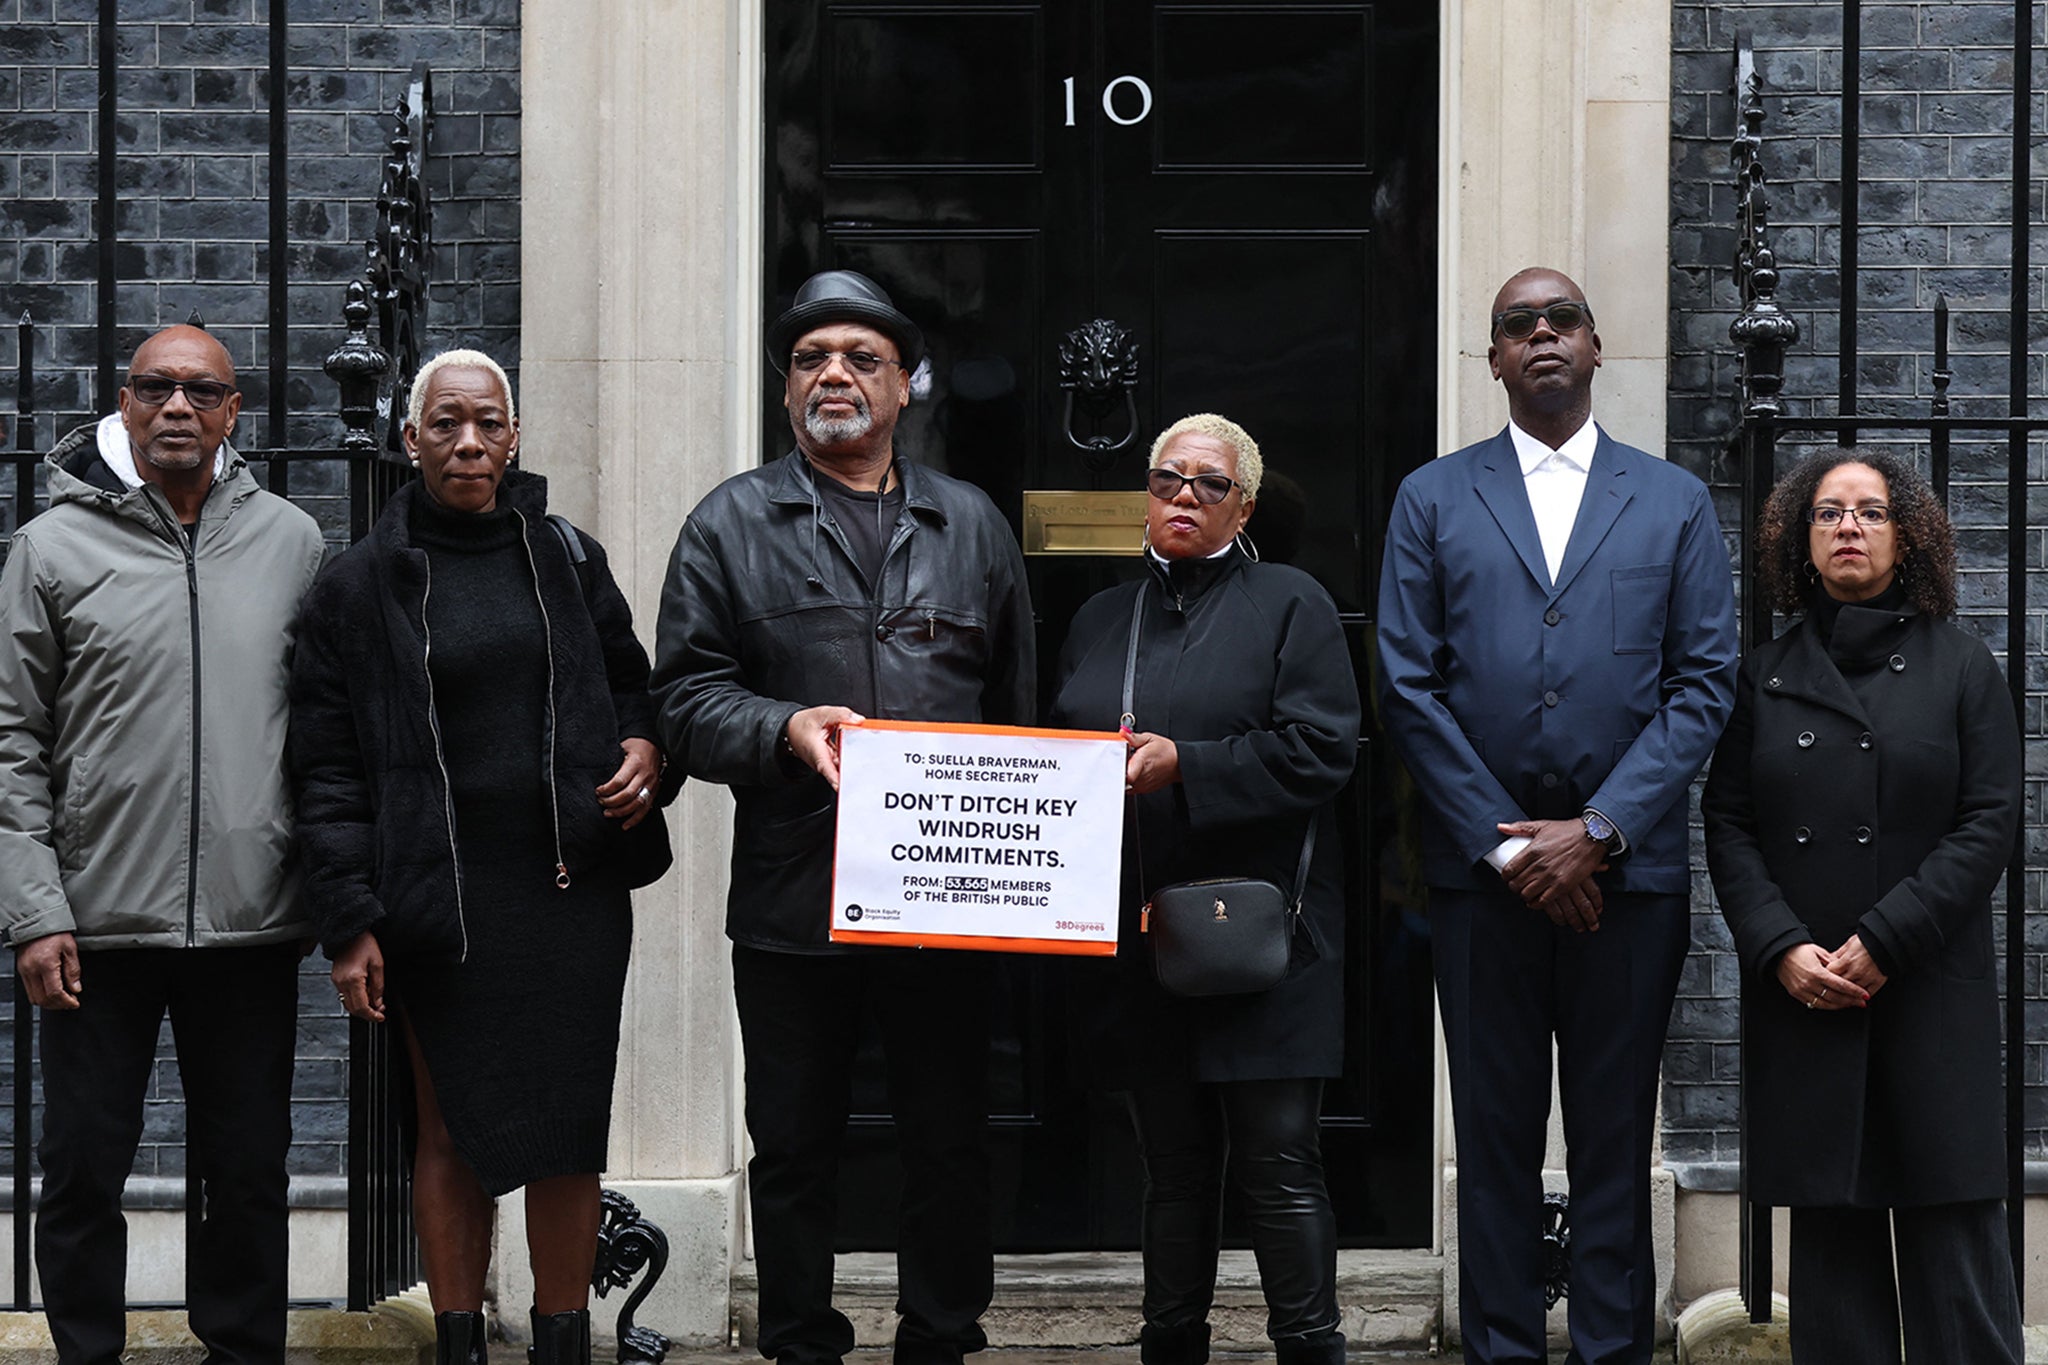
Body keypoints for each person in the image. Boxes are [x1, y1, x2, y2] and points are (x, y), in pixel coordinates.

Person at [650, 269, 1034, 1365]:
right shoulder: (727, 524)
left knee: (949, 1140)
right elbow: (680, 702)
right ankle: (799, 1340)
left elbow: (1014, 712)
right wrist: (780, 729)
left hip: (948, 898)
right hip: (791, 895)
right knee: (793, 1147)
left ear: (905, 385)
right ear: (786, 391)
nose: (834, 374)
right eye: (812, 358)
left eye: (860, 358)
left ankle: (941, 1336)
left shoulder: (970, 526)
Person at [1375, 268, 1738, 1363]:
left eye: (1561, 319)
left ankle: (1612, 1348)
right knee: (1490, 1135)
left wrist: (1597, 831)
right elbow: (1405, 682)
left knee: (1613, 1135)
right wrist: (1507, 844)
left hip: (1625, 882)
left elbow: (1703, 681)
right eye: (1515, 325)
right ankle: (1497, 1347)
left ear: (1593, 347)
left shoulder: (1668, 500)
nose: (1540, 335)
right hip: (1478, 884)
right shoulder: (1432, 497)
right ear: (1490, 359)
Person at [289, 350, 674, 1365]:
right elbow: (326, 768)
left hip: (569, 891)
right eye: (447, 424)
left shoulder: (566, 556)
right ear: (409, 439)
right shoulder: (357, 586)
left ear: (514, 436)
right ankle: (458, 1344)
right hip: (437, 898)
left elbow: (634, 694)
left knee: (565, 1127)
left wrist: (646, 752)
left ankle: (561, 1344)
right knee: (450, 1123)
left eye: (489, 423)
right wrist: (348, 919)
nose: (469, 442)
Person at [0, 325, 324, 1365]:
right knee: (85, 1168)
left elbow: (322, 730)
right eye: (156, 388)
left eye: (202, 391)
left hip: (253, 919)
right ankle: (86, 1353)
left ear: (235, 413)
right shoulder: (50, 548)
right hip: (96, 923)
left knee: (248, 1171)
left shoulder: (290, 541)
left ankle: (244, 1351)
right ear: (124, 405)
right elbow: (11, 737)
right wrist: (37, 912)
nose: (178, 407)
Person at [1048, 414, 1359, 1365]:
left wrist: (1192, 765)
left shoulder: (1289, 600)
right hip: (1147, 939)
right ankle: (1169, 1347)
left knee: (1277, 1168)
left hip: (1266, 940)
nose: (1184, 495)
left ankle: (1310, 1350)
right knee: (1174, 1172)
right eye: (1168, 478)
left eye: (1210, 484)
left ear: (1245, 504)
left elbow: (1324, 749)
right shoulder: (1103, 617)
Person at [1703, 450, 2022, 1365]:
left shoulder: (1963, 666)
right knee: (1836, 1270)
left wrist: (1885, 938)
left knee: (1955, 1254)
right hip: (1810, 998)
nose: (1849, 526)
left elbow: (1990, 822)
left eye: (1872, 512)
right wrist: (1779, 948)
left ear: (1905, 535)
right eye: (1829, 513)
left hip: (1928, 993)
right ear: (1800, 542)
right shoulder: (1761, 677)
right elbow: (1728, 824)